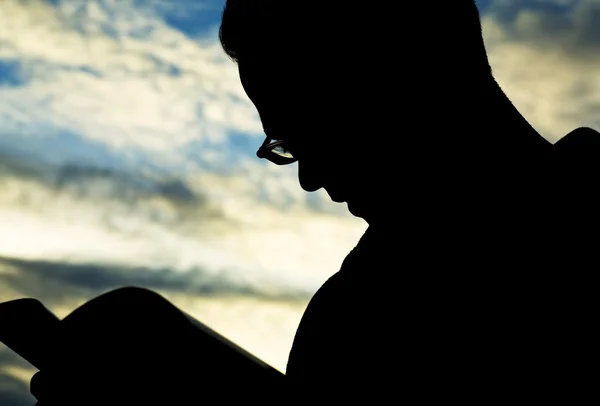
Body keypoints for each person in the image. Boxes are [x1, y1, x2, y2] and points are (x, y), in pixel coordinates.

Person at [29, 0, 597, 402]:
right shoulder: (349, 316)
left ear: (414, 69)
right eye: (286, 146)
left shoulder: (355, 324)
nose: (310, 178)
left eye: (313, 130)